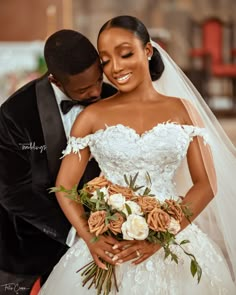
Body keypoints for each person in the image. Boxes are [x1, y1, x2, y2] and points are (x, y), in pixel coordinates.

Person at [39, 16, 236, 294]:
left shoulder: (184, 110)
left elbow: (206, 184)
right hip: (112, 245)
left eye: (126, 53)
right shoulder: (92, 116)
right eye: (106, 61)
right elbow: (64, 187)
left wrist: (162, 235)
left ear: (147, 50)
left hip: (173, 239)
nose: (116, 68)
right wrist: (90, 237)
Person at [0, 29, 117, 294]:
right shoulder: (15, 113)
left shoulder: (113, 97)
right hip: (30, 244)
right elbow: (12, 191)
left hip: (107, 235)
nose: (96, 92)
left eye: (98, 80)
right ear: (55, 80)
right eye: (84, 89)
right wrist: (81, 231)